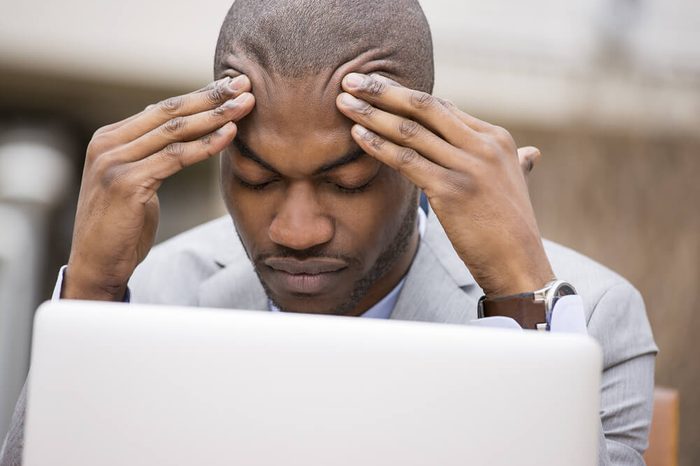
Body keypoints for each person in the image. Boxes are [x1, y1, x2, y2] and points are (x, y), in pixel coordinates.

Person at [0, 1, 657, 465]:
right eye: (257, 181)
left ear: (418, 161)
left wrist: (519, 295)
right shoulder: (149, 293)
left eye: (346, 185)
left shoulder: (594, 320)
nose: (297, 230)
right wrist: (87, 290)